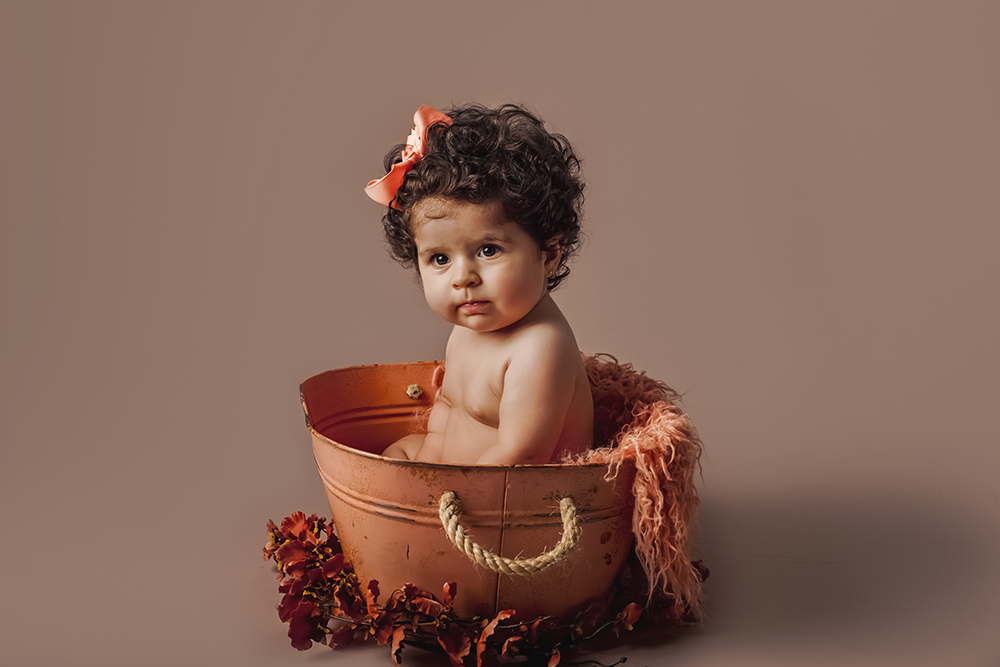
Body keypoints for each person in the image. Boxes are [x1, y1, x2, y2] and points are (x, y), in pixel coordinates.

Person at [366, 103, 592, 465]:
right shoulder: (468, 328)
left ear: (549, 254)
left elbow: (519, 458)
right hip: (451, 487)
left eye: (488, 250)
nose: (463, 278)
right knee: (392, 457)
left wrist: (438, 495)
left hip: (511, 508)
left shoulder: (539, 348)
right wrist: (423, 461)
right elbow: (445, 417)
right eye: (440, 259)